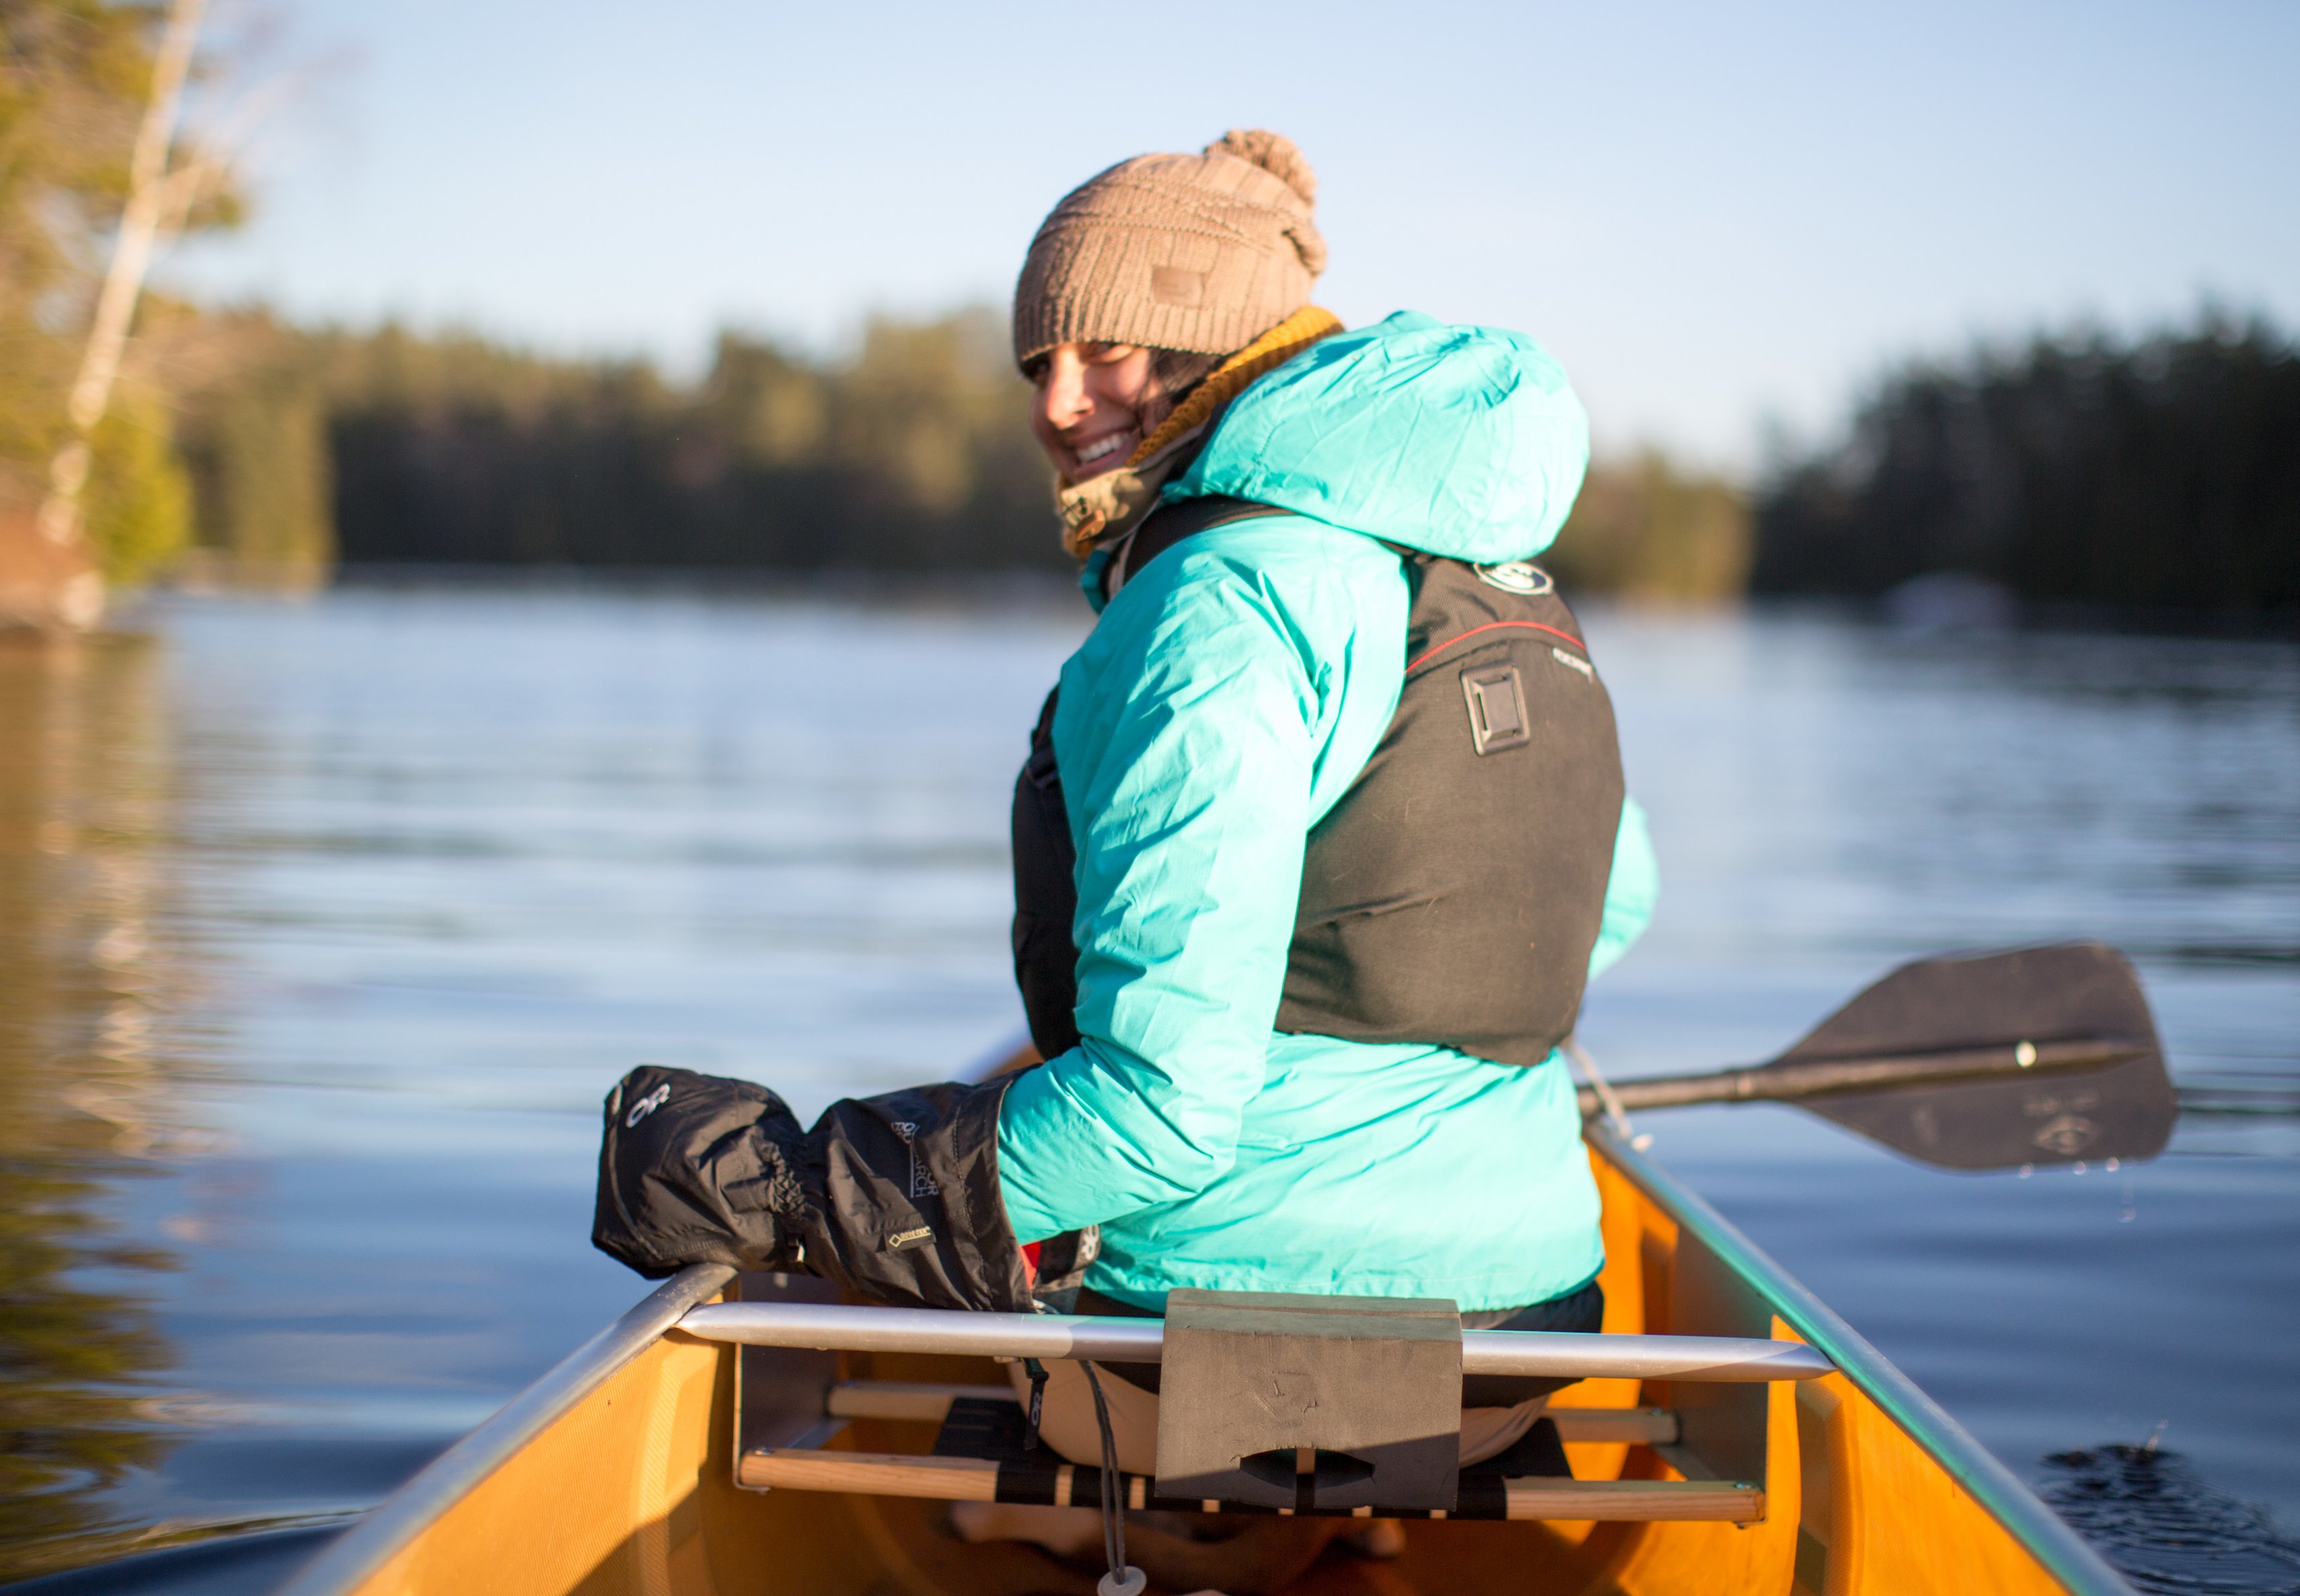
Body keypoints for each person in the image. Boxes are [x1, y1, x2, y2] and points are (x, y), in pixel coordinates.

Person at [592, 129, 1655, 1587]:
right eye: (1036, 360)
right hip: (1532, 1327)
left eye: (1112, 349)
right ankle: (1338, 1547)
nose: (1057, 401)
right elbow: (1610, 901)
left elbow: (1164, 1112)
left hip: (1215, 1345)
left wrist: (793, 1180)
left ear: (1231, 350)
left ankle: (1166, 1532)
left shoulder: (1216, 604)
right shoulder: (1478, 573)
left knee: (954, 1277)